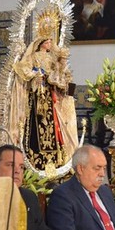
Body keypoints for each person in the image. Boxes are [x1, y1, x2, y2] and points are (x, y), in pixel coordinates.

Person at [9, 38, 78, 171]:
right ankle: (34, 155)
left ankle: (55, 157)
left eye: (50, 42)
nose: (49, 45)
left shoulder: (52, 58)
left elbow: (57, 74)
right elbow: (25, 69)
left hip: (49, 93)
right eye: (47, 42)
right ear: (40, 44)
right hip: (37, 93)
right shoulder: (34, 56)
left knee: (52, 122)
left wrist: (59, 69)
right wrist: (36, 74)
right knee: (37, 120)